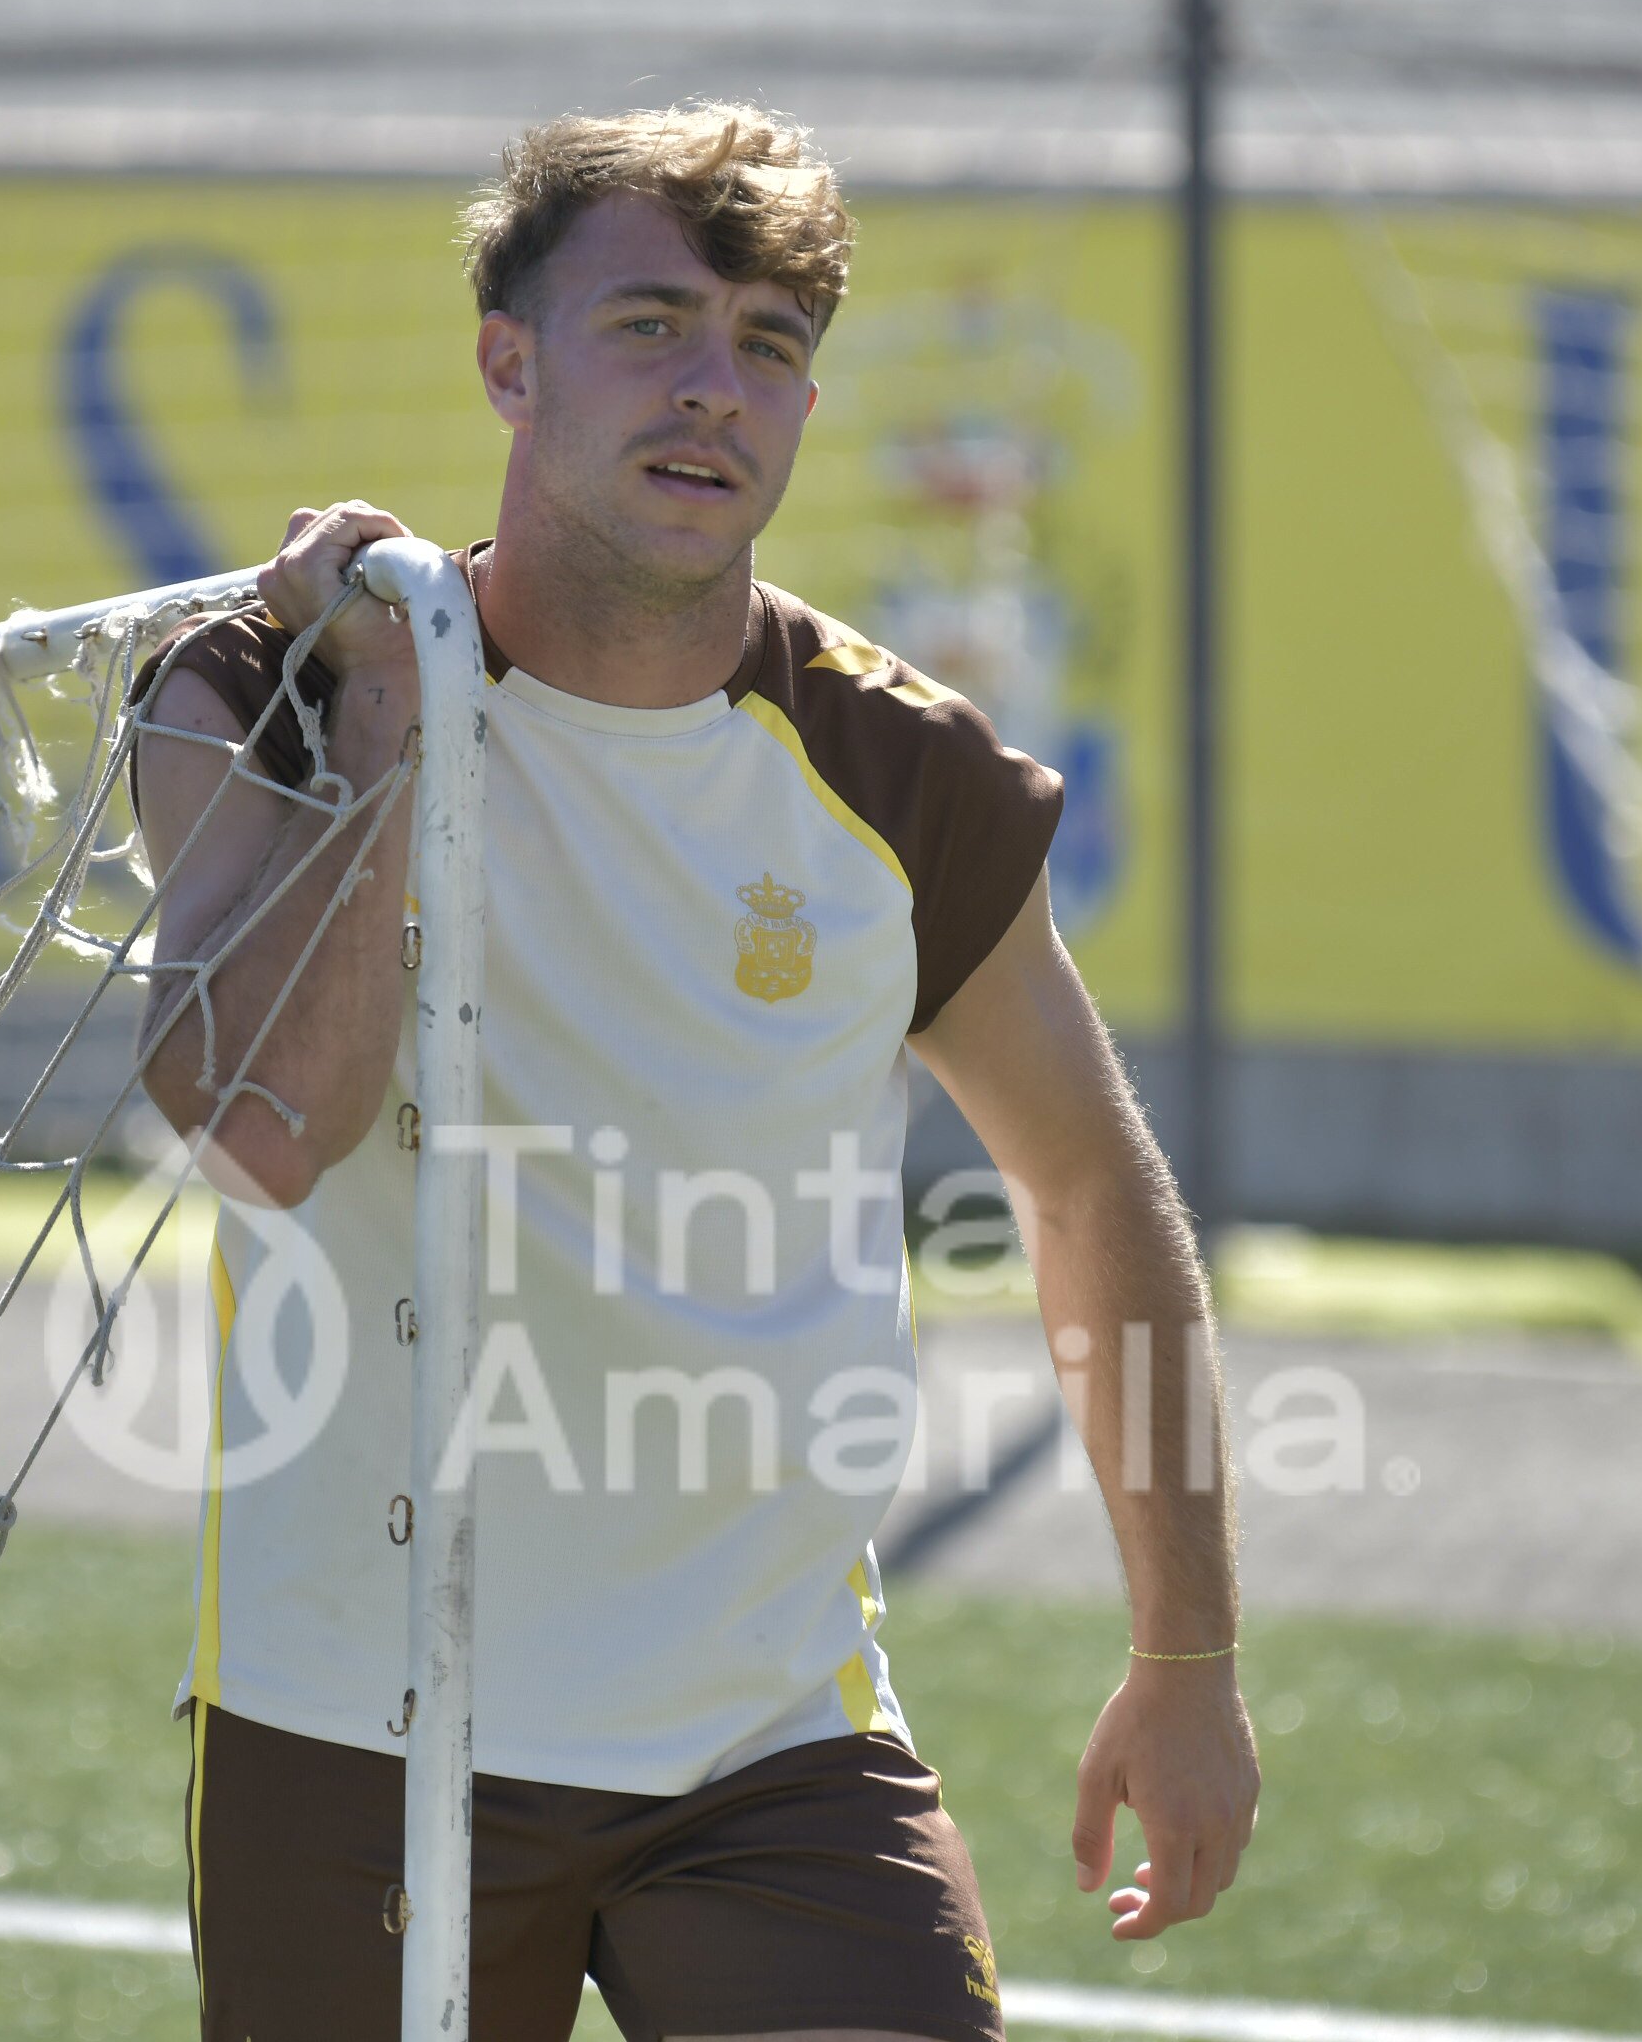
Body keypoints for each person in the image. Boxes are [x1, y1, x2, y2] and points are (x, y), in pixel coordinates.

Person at [129, 102, 1255, 2041]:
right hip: (357, 1729)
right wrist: (401, 724)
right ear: (508, 358)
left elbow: (1084, 1190)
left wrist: (1189, 1648)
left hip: (767, 1741)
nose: (712, 389)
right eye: (649, 323)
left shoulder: (902, 778)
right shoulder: (268, 683)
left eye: (768, 345)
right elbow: (255, 1124)